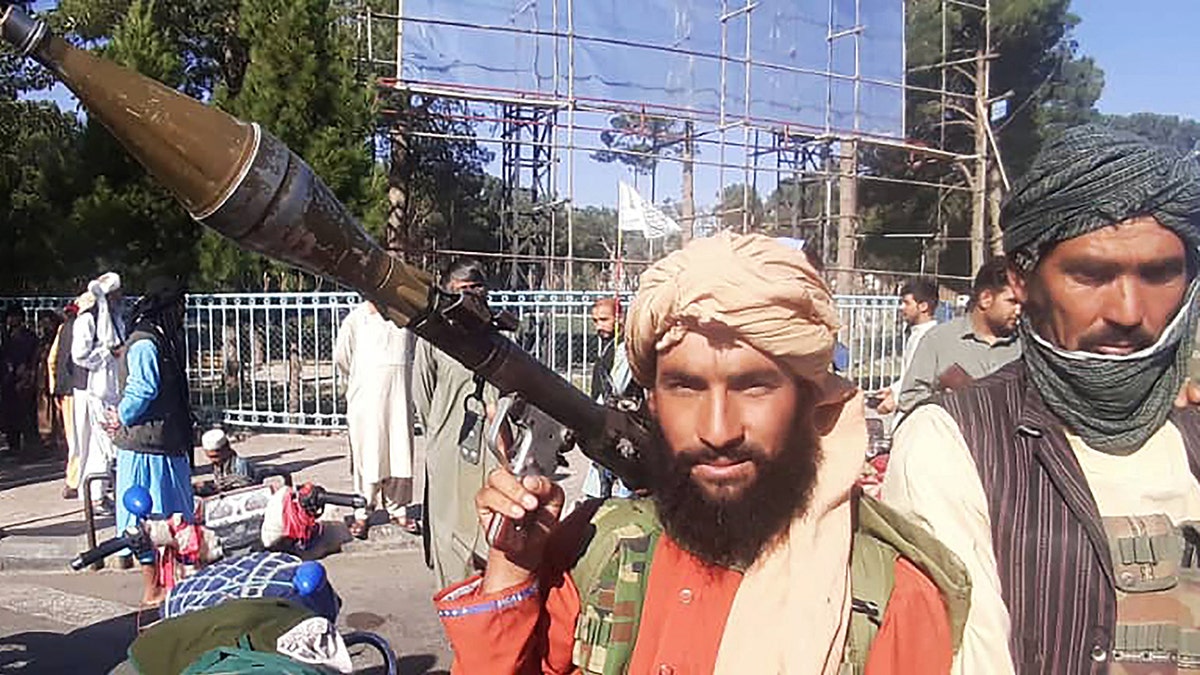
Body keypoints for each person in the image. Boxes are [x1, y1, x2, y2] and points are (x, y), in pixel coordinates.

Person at [436, 232, 970, 674]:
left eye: (754, 387)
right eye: (687, 388)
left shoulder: (888, 600)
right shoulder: (602, 549)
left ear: (809, 401)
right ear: (652, 401)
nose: (717, 430)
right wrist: (512, 570)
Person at [882, 124, 1200, 674]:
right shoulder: (954, 440)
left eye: (1159, 274)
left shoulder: (1189, 429)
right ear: (1022, 282)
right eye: (1091, 275)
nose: (1128, 310)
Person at [101, 276, 195, 605]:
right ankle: (152, 588)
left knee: (172, 516)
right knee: (146, 520)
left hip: (163, 444)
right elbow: (143, 389)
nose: (184, 313)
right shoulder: (145, 343)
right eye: (181, 307)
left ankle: (172, 582)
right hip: (146, 448)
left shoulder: (158, 338)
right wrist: (121, 416)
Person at [413, 259, 501, 587]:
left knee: (491, 533)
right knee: (449, 534)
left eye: (478, 289)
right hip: (449, 450)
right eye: (463, 290)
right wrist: (440, 434)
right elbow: (421, 396)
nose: (473, 297)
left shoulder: (499, 337)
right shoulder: (434, 337)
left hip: (494, 453)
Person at [334, 300, 418, 538]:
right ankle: (362, 512)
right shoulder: (356, 319)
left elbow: (413, 352)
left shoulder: (405, 318)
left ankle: (398, 508)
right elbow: (343, 357)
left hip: (399, 398)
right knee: (368, 454)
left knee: (399, 451)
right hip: (366, 400)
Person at [896, 258, 1021, 413]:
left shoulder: (1025, 348)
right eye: (1012, 302)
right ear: (986, 299)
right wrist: (952, 401)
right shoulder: (939, 340)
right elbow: (909, 399)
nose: (1018, 310)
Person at [71, 272, 125, 507]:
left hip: (117, 387)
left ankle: (97, 494)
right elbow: (79, 355)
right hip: (99, 388)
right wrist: (107, 354)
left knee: (102, 444)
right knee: (105, 443)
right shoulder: (88, 320)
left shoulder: (117, 317)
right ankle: (96, 493)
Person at [580, 297, 640, 500]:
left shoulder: (625, 348)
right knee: (598, 478)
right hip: (608, 419)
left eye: (604, 319)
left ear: (620, 318)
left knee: (624, 479)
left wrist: (593, 415)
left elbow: (616, 388)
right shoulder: (610, 347)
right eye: (595, 321)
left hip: (621, 420)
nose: (599, 326)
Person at [874, 278, 939, 419]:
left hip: (920, 414)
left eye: (907, 303)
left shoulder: (932, 338)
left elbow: (924, 382)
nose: (901, 307)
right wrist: (892, 390)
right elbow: (909, 375)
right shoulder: (915, 334)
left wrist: (896, 400)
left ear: (923, 306)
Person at [50, 302, 82, 498]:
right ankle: (75, 480)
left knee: (73, 437)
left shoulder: (63, 329)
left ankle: (74, 479)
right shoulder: (88, 326)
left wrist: (55, 387)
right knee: (83, 437)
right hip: (82, 389)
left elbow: (52, 360)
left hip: (66, 391)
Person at [0, 305, 39, 459]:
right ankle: (13, 444)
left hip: (23, 378)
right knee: (10, 414)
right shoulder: (7, 335)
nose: (9, 320)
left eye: (12, 316)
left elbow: (32, 355)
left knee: (25, 413)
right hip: (8, 379)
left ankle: (30, 446)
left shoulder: (28, 336)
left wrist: (27, 370)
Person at [35, 311, 64, 456]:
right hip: (43, 378)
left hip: (55, 378)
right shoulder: (42, 339)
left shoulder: (58, 338)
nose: (45, 326)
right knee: (44, 407)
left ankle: (59, 438)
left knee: (57, 408)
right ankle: (46, 437)